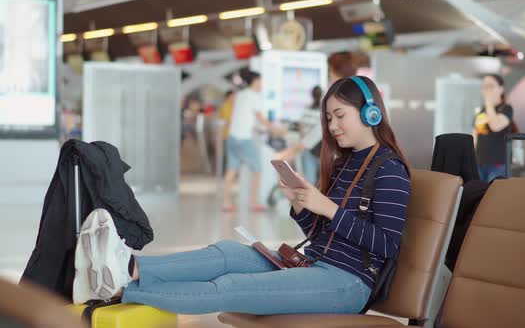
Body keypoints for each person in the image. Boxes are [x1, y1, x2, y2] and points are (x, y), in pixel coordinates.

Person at [71, 76, 411, 316]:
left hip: (347, 284)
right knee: (226, 253)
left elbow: (387, 245)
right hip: (315, 262)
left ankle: (119, 290)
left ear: (371, 113)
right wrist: (301, 205)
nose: (333, 126)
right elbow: (321, 235)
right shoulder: (346, 163)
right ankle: (128, 266)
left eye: (340, 116)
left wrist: (330, 209)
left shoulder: (389, 169)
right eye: (329, 118)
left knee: (231, 285)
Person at [222, 71, 280, 212]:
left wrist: (257, 128)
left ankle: (226, 203)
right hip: (244, 138)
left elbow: (243, 116)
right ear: (254, 82)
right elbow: (260, 117)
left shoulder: (240, 95)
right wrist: (275, 129)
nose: (261, 85)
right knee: (257, 170)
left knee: (231, 170)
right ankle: (254, 202)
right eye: (260, 81)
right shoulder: (254, 96)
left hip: (232, 137)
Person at [473, 74, 514, 182]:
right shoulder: (481, 111)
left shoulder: (506, 108)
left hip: (498, 164)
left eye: (490, 86)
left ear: (501, 89)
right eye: (484, 87)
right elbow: (475, 136)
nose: (486, 90)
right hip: (479, 162)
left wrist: (489, 104)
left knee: (494, 196)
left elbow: (495, 126)